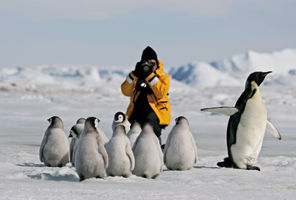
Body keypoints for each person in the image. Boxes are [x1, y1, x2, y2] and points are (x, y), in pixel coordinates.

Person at [121, 46, 171, 146]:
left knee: (150, 127)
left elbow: (161, 92)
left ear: (157, 63)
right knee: (132, 130)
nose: (151, 66)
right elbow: (125, 91)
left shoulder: (162, 77)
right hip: (136, 111)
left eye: (153, 63)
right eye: (148, 63)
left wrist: (150, 76)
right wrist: (134, 74)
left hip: (155, 112)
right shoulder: (136, 76)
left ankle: (156, 150)